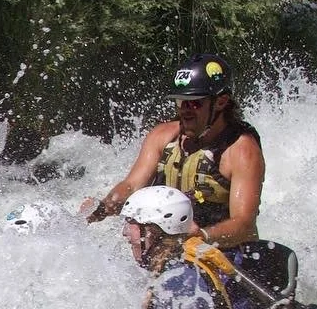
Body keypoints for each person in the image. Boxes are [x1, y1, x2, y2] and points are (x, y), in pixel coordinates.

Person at [85, 54, 265, 250]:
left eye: (195, 103)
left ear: (221, 102)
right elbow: (131, 186)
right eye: (181, 102)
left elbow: (245, 225)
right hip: (169, 250)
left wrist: (201, 236)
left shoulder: (242, 150)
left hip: (221, 253)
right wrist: (102, 207)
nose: (185, 110)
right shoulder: (162, 136)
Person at [120, 185, 261, 309]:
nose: (125, 233)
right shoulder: (175, 268)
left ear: (152, 230)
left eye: (131, 223)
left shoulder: (180, 283)